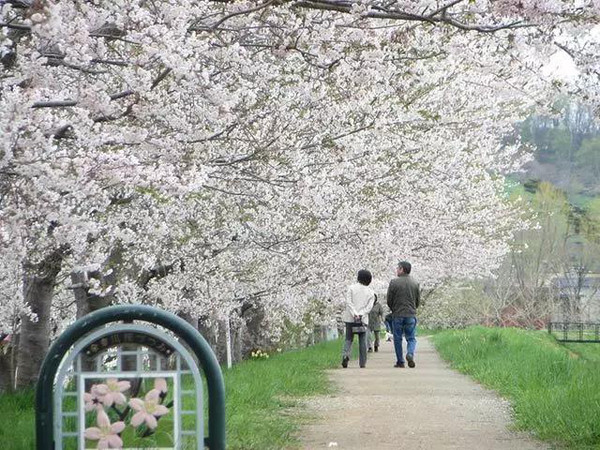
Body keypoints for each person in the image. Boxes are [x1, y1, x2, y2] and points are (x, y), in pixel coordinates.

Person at [386, 260, 420, 368]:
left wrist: (394, 309)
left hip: (398, 314)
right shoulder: (415, 283)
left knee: (398, 338)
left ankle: (400, 361)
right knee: (411, 338)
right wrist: (413, 309)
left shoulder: (393, 282)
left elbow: (389, 300)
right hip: (410, 314)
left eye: (398, 268)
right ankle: (410, 353)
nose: (396, 270)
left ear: (402, 269)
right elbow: (417, 300)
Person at [341, 269, 375, 368]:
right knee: (362, 340)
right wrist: (361, 314)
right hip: (363, 320)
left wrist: (355, 313)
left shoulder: (351, 288)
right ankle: (362, 363)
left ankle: (345, 355)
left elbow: (349, 302)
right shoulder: (370, 292)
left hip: (350, 319)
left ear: (358, 277)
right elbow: (369, 307)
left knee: (348, 338)